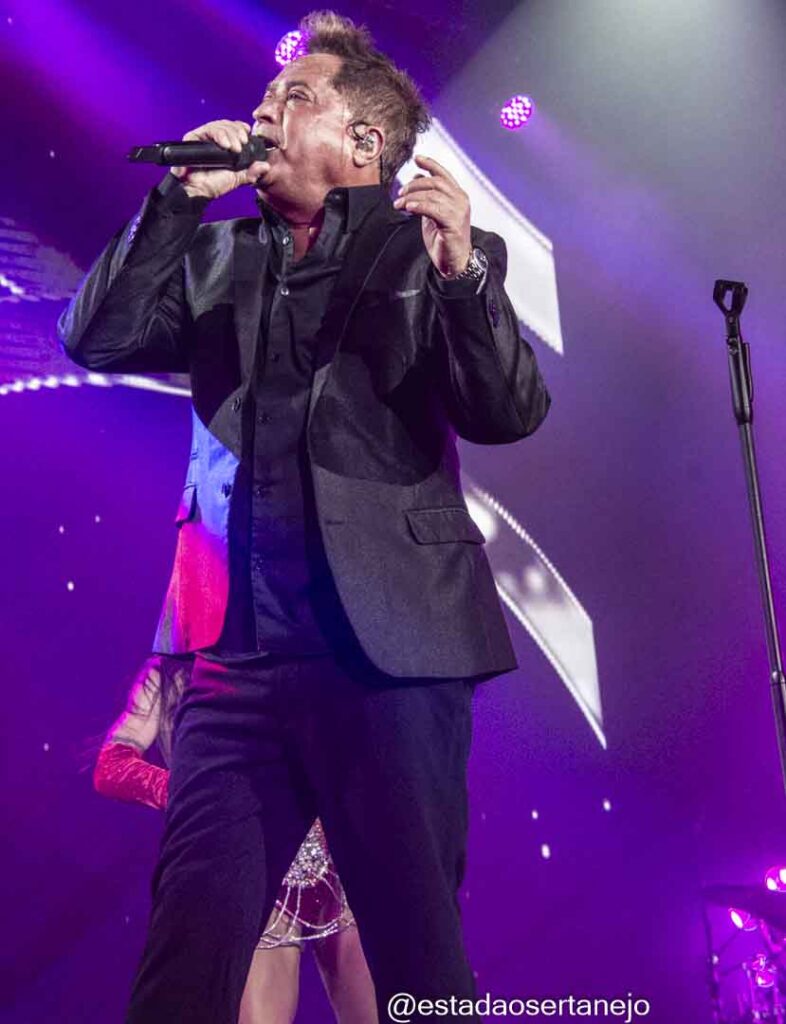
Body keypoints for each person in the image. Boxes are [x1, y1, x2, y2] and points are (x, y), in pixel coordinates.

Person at [59, 10, 550, 1022]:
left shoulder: (427, 252)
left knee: (417, 962)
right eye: (266, 97)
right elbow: (95, 337)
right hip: (233, 664)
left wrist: (462, 277)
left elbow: (507, 411)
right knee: (183, 965)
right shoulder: (216, 256)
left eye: (294, 98)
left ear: (363, 141)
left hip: (387, 659)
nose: (263, 113)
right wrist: (173, 202)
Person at [94, 655, 377, 1024]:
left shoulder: (302, 644)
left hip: (338, 863)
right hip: (255, 868)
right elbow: (111, 764)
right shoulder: (169, 673)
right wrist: (193, 789)